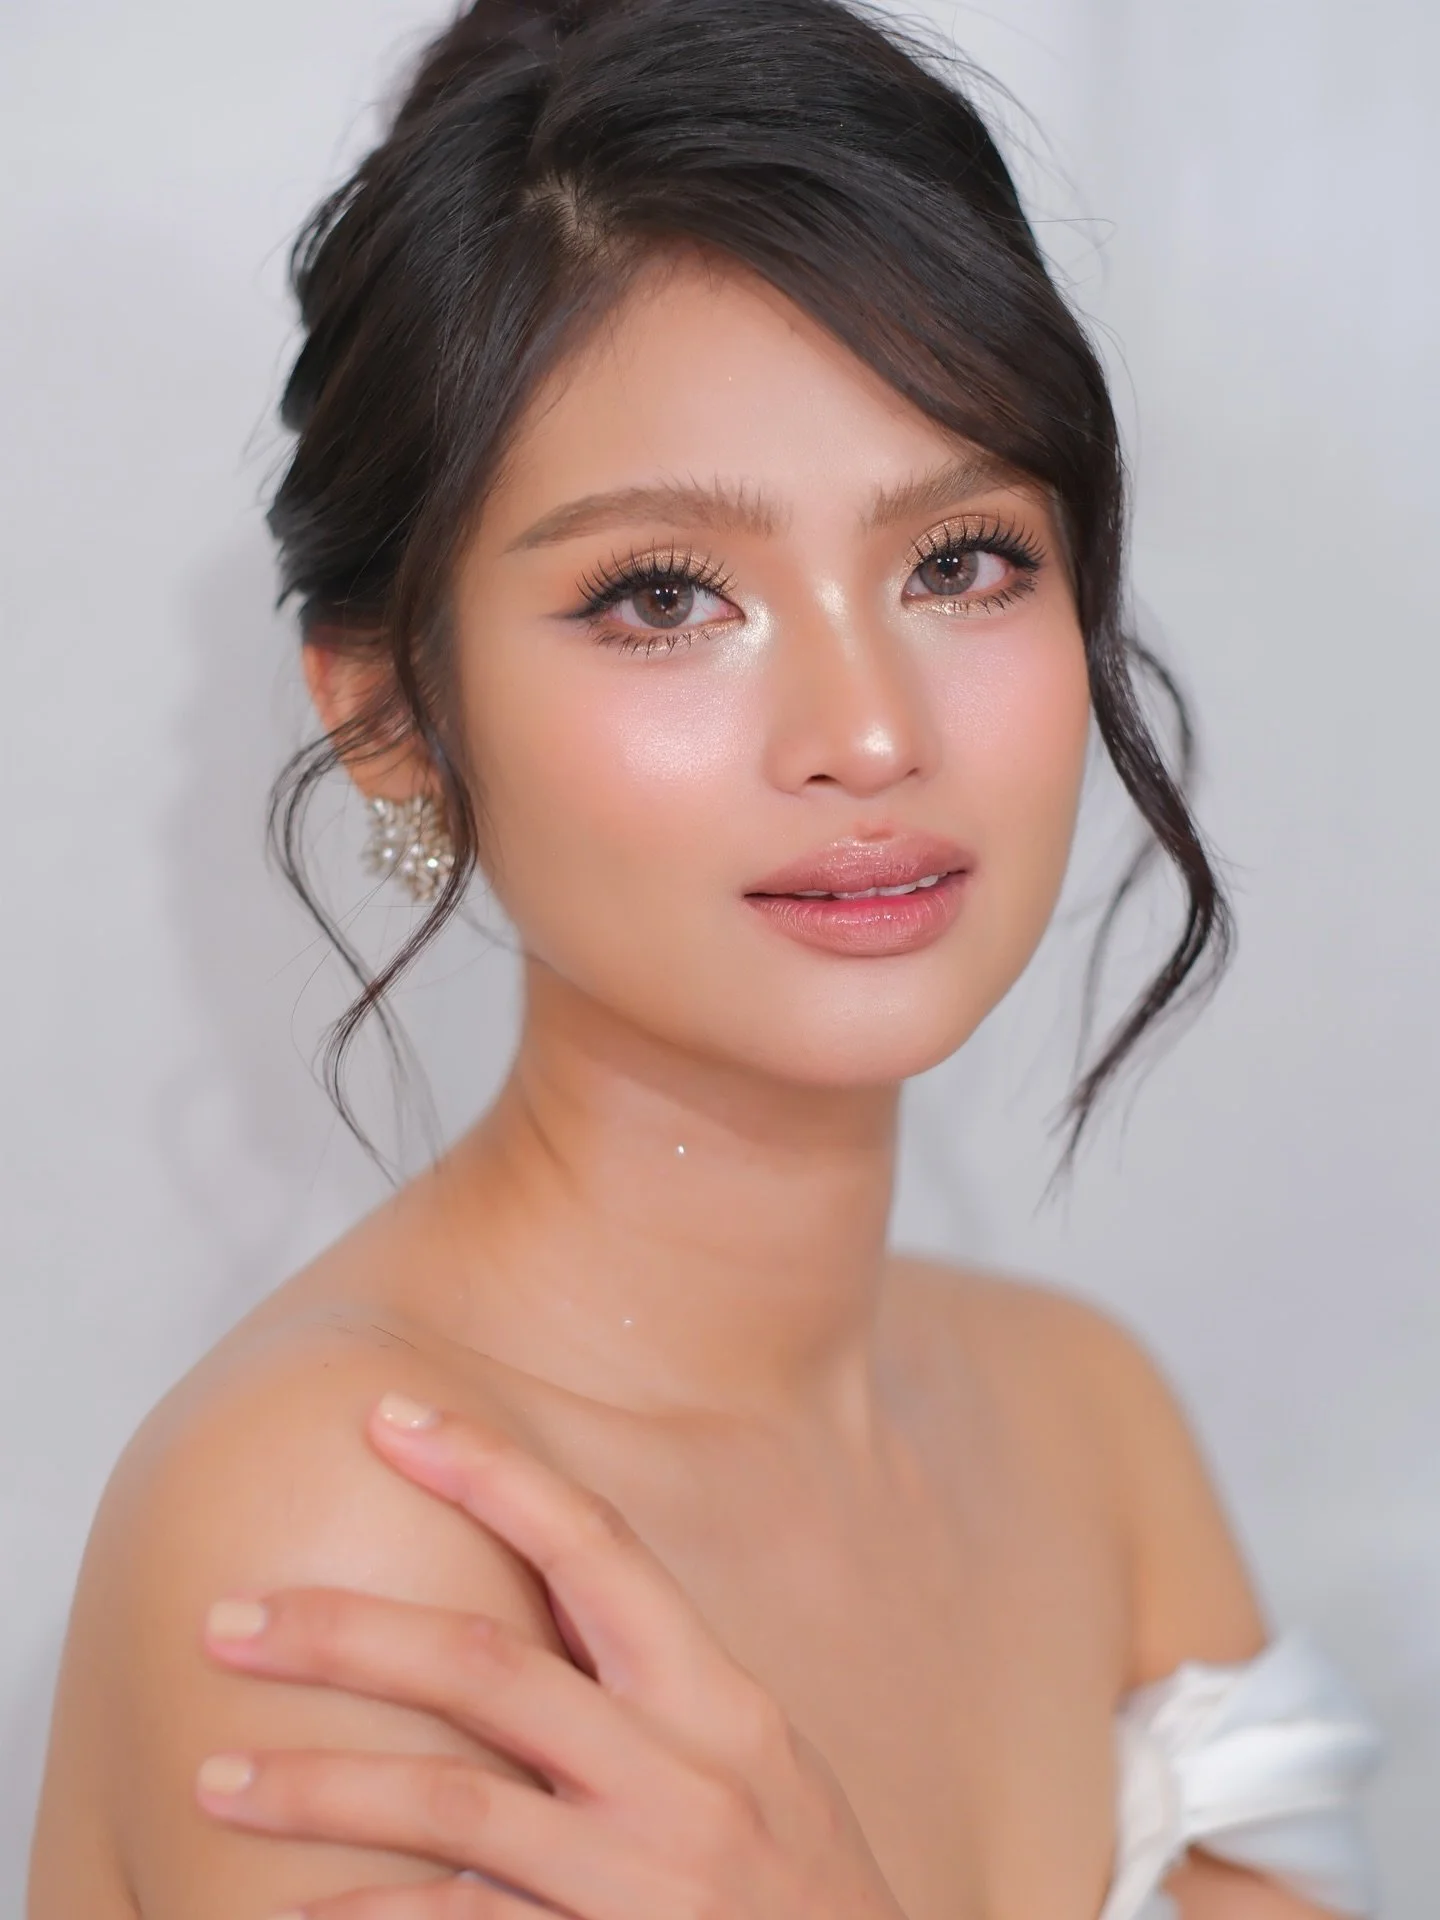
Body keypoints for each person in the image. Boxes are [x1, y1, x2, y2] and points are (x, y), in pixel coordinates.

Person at [26, 2, 1382, 1915]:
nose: (866, 727)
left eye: (963, 560)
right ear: (394, 720)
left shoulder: (1086, 1422)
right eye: (664, 595)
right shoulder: (365, 1532)